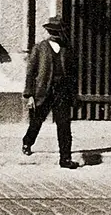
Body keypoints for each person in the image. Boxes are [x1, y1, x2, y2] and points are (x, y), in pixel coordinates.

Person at [22, 16, 80, 169]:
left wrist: (73, 94)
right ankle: (27, 142)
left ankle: (65, 158)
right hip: (43, 91)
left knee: (64, 125)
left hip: (62, 91)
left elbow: (73, 73)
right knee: (37, 120)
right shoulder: (40, 48)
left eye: (58, 31)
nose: (55, 34)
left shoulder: (67, 49)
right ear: (49, 32)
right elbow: (30, 72)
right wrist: (29, 95)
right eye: (53, 31)